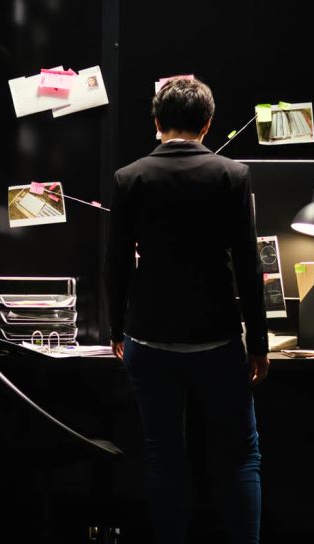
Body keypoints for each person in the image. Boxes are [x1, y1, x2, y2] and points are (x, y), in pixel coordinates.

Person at [105, 77, 270, 544]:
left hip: (149, 339)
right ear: (208, 123)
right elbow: (247, 264)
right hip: (217, 340)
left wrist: (117, 327)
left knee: (163, 456)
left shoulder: (129, 177)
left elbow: (115, 264)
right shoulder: (232, 176)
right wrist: (257, 343)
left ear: (157, 123)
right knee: (240, 455)